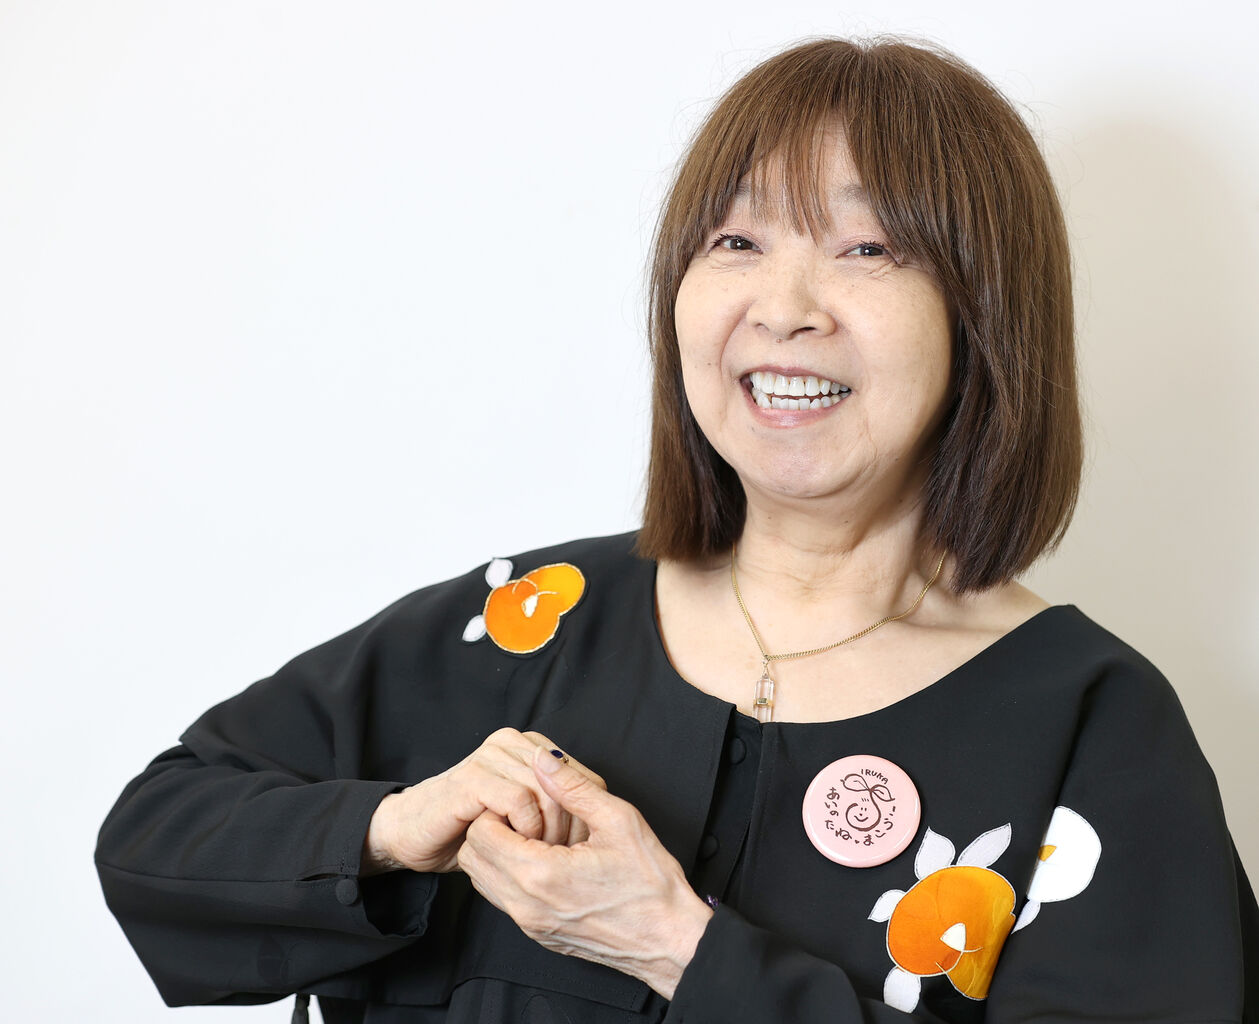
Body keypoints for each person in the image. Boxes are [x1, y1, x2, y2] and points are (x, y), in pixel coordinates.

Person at [96, 37, 1258, 1023]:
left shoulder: (1088, 725)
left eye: (865, 248)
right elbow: (157, 832)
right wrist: (395, 828)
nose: (783, 308)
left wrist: (678, 947)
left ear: (983, 316)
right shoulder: (525, 621)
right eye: (735, 241)